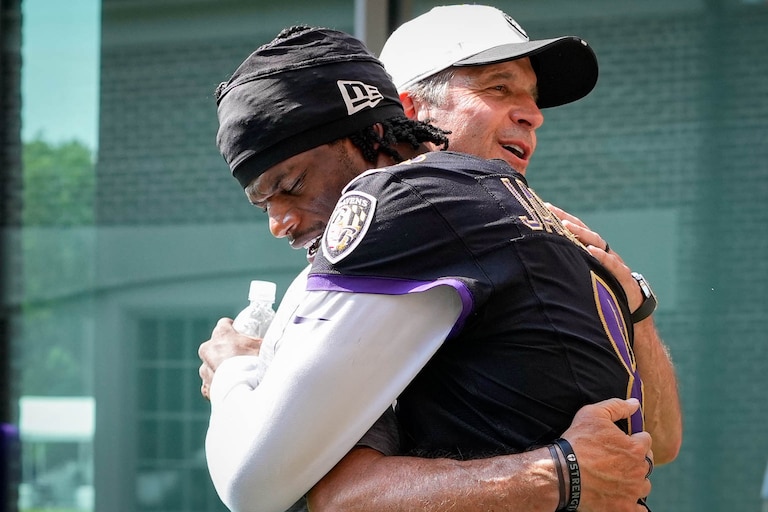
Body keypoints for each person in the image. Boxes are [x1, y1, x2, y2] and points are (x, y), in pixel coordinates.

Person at [199, 23, 663, 512]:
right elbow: (659, 441)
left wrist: (235, 368)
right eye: (497, 88)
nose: (279, 224)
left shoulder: (399, 200)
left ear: (377, 132)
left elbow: (257, 486)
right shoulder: (544, 226)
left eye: (292, 184)